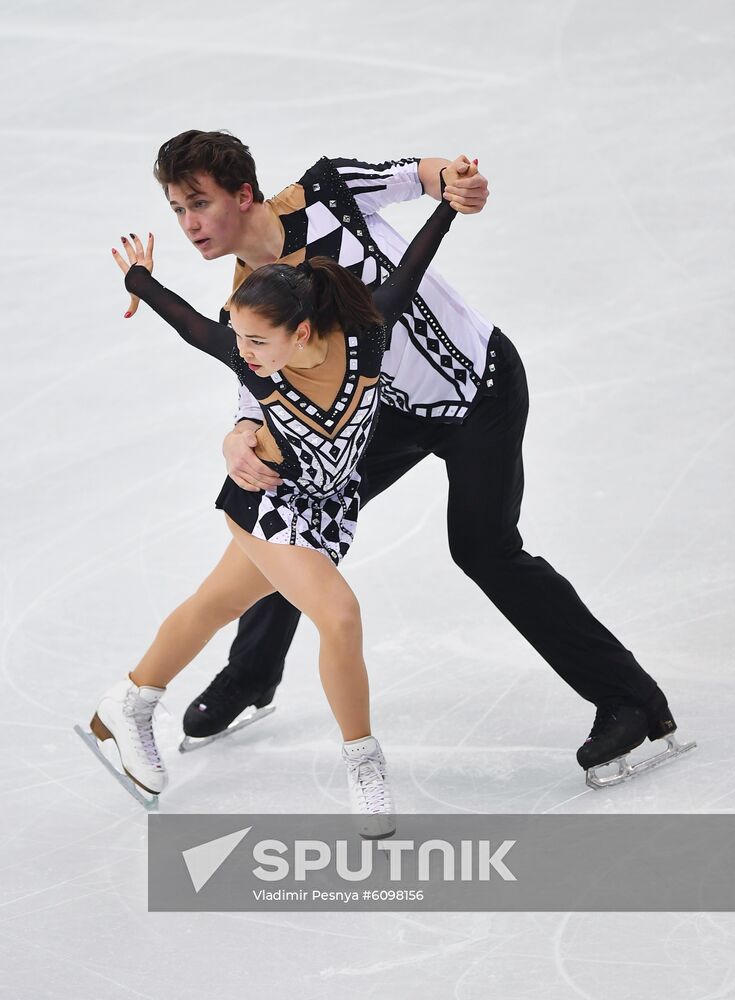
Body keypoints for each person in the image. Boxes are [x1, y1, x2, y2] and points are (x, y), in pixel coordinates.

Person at [141, 130, 686, 781]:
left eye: (197, 203)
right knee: (292, 508)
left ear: (244, 193)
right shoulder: (252, 290)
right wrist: (238, 435)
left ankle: (633, 703)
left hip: (477, 388)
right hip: (388, 416)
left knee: (485, 549)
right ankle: (252, 675)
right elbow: (257, 376)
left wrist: (457, 183)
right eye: (177, 209)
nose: (189, 224)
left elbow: (420, 176)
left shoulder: (327, 192)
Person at [82, 166, 463, 829]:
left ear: (306, 331)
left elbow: (409, 270)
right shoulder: (252, 365)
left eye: (259, 340)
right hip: (269, 503)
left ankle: (130, 702)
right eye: (243, 339)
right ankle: (364, 763)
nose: (246, 354)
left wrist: (448, 206)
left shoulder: (367, 338)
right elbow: (190, 324)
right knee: (339, 616)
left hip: (329, 507)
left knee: (215, 604)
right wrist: (139, 280)